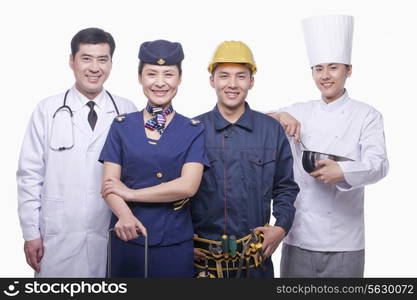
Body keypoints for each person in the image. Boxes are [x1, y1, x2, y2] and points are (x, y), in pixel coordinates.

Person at [269, 15, 389, 277]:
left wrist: (343, 171)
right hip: (298, 237)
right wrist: (279, 117)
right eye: (318, 68)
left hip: (346, 242)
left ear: (348, 70)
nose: (325, 76)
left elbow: (378, 165)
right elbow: (252, 122)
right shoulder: (298, 110)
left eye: (333, 67)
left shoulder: (367, 115)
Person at [16, 28, 137, 277]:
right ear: (72, 61)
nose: (94, 68)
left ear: (111, 63)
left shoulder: (127, 111)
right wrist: (30, 233)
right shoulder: (47, 110)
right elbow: (29, 175)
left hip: (110, 233)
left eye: (102, 59)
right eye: (86, 58)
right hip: (58, 235)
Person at [99, 39, 209, 278]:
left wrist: (131, 194)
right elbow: (108, 185)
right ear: (140, 77)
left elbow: (188, 186)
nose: (160, 83)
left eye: (168, 74)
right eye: (151, 74)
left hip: (174, 243)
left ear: (180, 78)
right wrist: (125, 215)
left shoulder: (193, 129)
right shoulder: (121, 126)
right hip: (126, 237)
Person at [191, 41, 299, 278]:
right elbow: (177, 196)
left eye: (241, 76)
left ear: (251, 81)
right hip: (202, 266)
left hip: (255, 265)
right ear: (212, 81)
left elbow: (285, 188)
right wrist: (180, 240)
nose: (232, 84)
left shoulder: (271, 130)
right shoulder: (193, 130)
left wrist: (281, 227)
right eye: (224, 76)